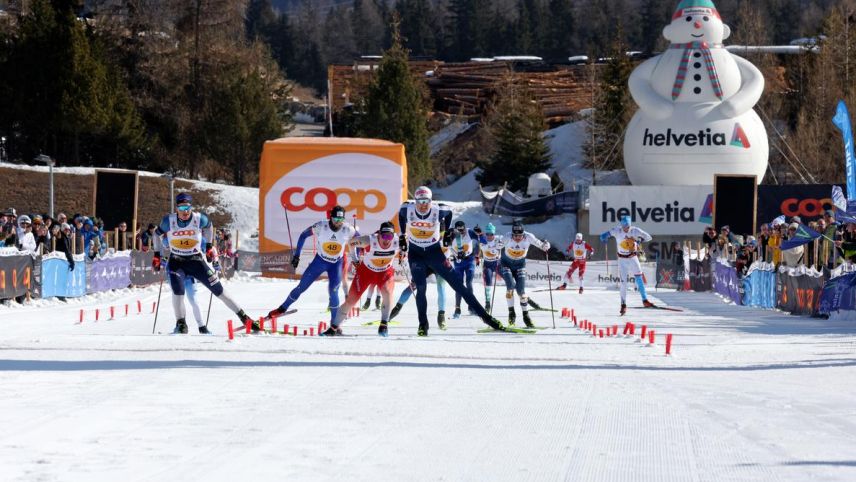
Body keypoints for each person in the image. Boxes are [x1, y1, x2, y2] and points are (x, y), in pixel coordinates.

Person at [398, 186, 505, 335]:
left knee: (459, 286)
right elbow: (401, 215)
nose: (423, 205)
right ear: (415, 201)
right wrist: (402, 235)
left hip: (434, 253)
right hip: (416, 255)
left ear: (431, 201)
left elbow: (448, 213)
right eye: (420, 201)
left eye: (426, 201)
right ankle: (423, 325)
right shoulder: (407, 209)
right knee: (421, 288)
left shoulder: (438, 210)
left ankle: (487, 318)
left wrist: (447, 231)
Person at [152, 192, 253, 334]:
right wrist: (157, 254)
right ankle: (181, 324)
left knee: (219, 290)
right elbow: (156, 234)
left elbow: (210, 227)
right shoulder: (169, 221)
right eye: (181, 208)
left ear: (191, 207)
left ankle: (244, 317)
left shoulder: (199, 218)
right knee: (178, 291)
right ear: (177, 209)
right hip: (177, 262)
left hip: (196, 261)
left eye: (187, 207)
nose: (185, 212)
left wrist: (209, 246)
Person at [266, 205, 358, 326]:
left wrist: (356, 258)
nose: (338, 223)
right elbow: (303, 235)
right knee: (301, 287)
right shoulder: (321, 226)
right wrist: (297, 255)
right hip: (319, 262)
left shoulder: (348, 229)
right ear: (331, 218)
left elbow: (359, 240)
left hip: (336, 264)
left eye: (341, 220)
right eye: (336, 220)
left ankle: (335, 324)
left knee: (333, 292)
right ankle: (282, 308)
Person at [323, 222, 399, 337]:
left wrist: (403, 252)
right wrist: (354, 258)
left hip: (384, 272)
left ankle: (383, 325)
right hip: (366, 272)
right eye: (384, 236)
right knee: (351, 301)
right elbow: (351, 243)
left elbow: (409, 243)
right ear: (379, 234)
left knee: (387, 293)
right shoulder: (369, 240)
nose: (387, 240)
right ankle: (333, 328)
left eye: (390, 236)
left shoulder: (398, 241)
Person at [599, 215, 654, 315]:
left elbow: (649, 237)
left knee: (639, 278)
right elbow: (603, 235)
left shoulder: (635, 230)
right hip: (622, 259)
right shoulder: (617, 230)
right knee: (623, 283)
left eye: (628, 227)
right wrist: (604, 237)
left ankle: (645, 300)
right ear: (621, 225)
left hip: (633, 257)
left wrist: (639, 240)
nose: (626, 229)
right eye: (625, 227)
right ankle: (623, 304)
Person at [498, 222, 550, 327]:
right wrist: (497, 245)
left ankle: (526, 316)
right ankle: (511, 313)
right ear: (512, 234)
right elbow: (496, 245)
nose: (517, 238)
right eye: (515, 235)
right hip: (506, 264)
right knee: (510, 288)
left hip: (520, 265)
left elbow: (541, 245)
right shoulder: (507, 237)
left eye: (520, 235)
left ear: (523, 234)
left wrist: (545, 246)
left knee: (521, 292)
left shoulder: (529, 236)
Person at [449, 220, 480, 318]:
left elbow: (482, 241)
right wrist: (453, 256)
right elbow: (447, 246)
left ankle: (471, 306)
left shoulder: (469, 232)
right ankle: (457, 309)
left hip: (469, 260)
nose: (461, 232)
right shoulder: (452, 234)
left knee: (469, 283)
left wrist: (480, 233)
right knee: (459, 285)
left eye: (462, 230)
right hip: (458, 262)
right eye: (458, 230)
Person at [477, 223, 501, 311]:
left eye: (491, 234)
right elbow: (484, 248)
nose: (489, 236)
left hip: (497, 263)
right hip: (488, 264)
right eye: (487, 234)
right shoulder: (483, 240)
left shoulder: (498, 239)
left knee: (508, 279)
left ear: (494, 234)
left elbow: (505, 243)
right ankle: (487, 302)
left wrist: (500, 246)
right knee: (488, 284)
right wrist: (495, 247)